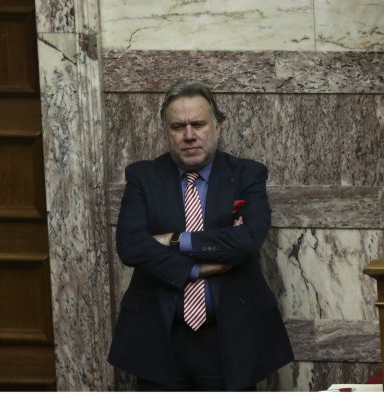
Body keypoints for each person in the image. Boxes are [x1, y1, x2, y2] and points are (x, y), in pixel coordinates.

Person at [108, 80, 293, 391]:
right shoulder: (143, 177)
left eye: (198, 124)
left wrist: (174, 240)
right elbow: (130, 247)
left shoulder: (247, 174)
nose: (189, 135)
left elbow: (248, 239)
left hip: (230, 337)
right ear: (166, 132)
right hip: (160, 337)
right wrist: (197, 268)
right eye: (178, 126)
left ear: (217, 126)